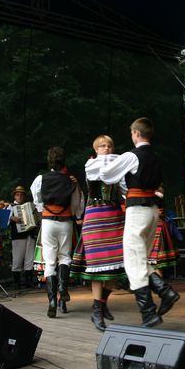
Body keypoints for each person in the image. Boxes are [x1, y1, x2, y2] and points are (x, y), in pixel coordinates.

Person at [100, 117, 179, 328]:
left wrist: (108, 163)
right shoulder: (156, 157)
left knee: (133, 262)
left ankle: (149, 313)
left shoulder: (132, 156)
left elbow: (106, 175)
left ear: (136, 133)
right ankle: (164, 291)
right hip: (153, 210)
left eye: (132, 133)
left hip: (137, 211)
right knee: (141, 259)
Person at [71, 135, 127, 331]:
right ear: (95, 150)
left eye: (110, 145)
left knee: (116, 267)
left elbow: (124, 189)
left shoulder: (117, 167)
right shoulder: (92, 164)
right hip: (95, 218)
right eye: (102, 146)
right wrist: (120, 163)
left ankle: (102, 304)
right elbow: (104, 170)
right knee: (97, 266)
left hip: (114, 217)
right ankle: (97, 311)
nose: (107, 148)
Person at [31, 146, 84, 318]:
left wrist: (44, 210)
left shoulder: (41, 179)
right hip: (65, 222)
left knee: (50, 261)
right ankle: (62, 287)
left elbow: (37, 199)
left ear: (49, 161)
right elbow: (77, 205)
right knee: (65, 257)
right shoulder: (71, 181)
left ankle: (52, 301)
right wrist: (74, 213)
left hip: (48, 222)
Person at [8, 185, 38, 290]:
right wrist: (12, 217)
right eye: (17, 195)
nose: (19, 196)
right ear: (14, 196)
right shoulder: (11, 206)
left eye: (21, 195)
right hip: (18, 236)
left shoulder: (29, 205)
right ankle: (16, 283)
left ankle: (29, 281)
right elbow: (5, 219)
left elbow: (36, 216)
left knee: (30, 259)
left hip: (30, 235)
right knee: (17, 259)